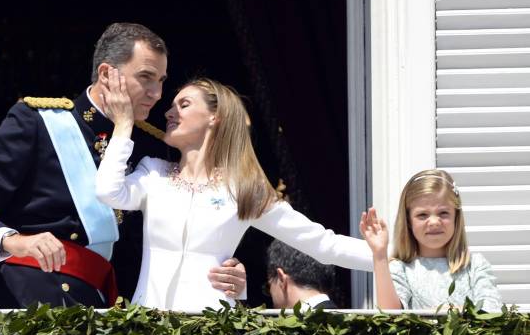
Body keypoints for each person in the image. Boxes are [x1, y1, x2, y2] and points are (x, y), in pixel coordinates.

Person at [0, 22, 247, 308]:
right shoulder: (38, 122)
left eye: (161, 81)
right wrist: (14, 241)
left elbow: (186, 228)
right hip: (19, 305)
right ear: (106, 74)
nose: (156, 93)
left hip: (104, 315)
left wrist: (224, 268)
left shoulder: (153, 147)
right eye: (145, 77)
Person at [95, 75, 373, 311]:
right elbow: (108, 192)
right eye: (171, 106)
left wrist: (394, 257)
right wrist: (123, 126)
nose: (169, 113)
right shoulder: (152, 173)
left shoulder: (242, 188)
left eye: (184, 104)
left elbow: (323, 244)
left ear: (215, 117)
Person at [360, 169, 502, 311]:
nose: (434, 222)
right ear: (408, 221)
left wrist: (447, 312)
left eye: (443, 213)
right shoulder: (401, 269)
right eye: (422, 215)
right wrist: (379, 255)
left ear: (456, 217)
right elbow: (390, 316)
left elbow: (491, 311)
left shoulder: (474, 266)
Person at [264, 239, 338, 309]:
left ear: (281, 279)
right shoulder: (344, 318)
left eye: (268, 286)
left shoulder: (307, 321)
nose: (270, 294)